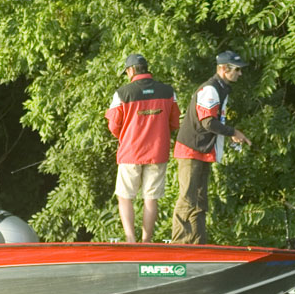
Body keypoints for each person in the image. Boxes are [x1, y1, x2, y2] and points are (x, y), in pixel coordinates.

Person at [171, 50, 252, 244]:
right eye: (237, 70)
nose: (240, 74)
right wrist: (234, 132)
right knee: (187, 199)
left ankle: (198, 244)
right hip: (191, 149)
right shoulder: (210, 89)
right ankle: (178, 245)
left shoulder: (221, 88)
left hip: (202, 150)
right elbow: (207, 122)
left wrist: (229, 135)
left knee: (200, 202)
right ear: (224, 69)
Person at [105, 54, 181, 243]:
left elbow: (113, 125)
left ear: (130, 71)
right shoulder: (168, 91)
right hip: (158, 152)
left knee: (125, 197)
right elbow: (174, 122)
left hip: (130, 153)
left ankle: (130, 239)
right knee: (151, 198)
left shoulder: (122, 93)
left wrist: (125, 136)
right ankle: (146, 241)